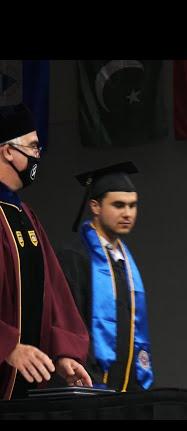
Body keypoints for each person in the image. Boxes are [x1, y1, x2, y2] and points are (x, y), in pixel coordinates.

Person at [0, 103, 92, 399]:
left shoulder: (24, 214)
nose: (38, 156)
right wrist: (6, 345)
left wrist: (63, 352)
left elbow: (53, 288)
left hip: (19, 390)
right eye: (33, 147)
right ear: (7, 152)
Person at [57, 162, 153, 392]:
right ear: (95, 206)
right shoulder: (74, 256)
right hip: (87, 384)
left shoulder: (125, 263)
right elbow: (68, 323)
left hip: (126, 386)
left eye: (132, 205)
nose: (128, 213)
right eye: (118, 205)